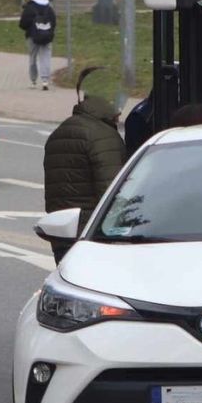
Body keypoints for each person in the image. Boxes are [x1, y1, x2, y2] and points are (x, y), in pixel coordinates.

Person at [42, 68, 126, 263]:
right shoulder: (103, 136)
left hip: (62, 234)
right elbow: (112, 196)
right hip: (94, 237)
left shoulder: (60, 132)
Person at [18, 0, 56, 90]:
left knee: (33, 58)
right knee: (46, 57)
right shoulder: (49, 7)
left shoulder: (29, 7)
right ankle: (45, 81)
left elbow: (22, 24)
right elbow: (53, 22)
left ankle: (33, 81)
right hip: (47, 36)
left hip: (32, 37)